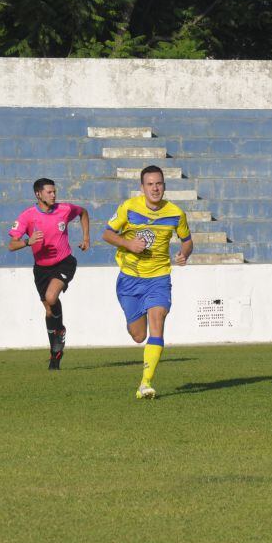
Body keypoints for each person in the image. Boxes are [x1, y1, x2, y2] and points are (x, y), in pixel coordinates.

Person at [102, 165, 192, 399]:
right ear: (142, 188)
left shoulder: (176, 213)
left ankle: (145, 383)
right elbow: (107, 234)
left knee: (158, 317)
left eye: (159, 183)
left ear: (164, 185)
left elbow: (187, 240)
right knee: (138, 335)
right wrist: (128, 244)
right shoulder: (129, 207)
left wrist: (185, 253)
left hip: (159, 278)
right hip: (130, 280)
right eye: (150, 184)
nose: (155, 188)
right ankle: (134, 320)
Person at [7, 178, 90, 370]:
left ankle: (60, 329)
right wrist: (28, 241)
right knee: (49, 310)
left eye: (54, 192)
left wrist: (86, 237)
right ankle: (55, 355)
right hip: (41, 269)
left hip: (64, 263)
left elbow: (83, 213)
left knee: (51, 297)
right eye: (49, 192)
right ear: (38, 194)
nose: (54, 195)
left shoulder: (65, 209)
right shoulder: (27, 216)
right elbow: (11, 245)